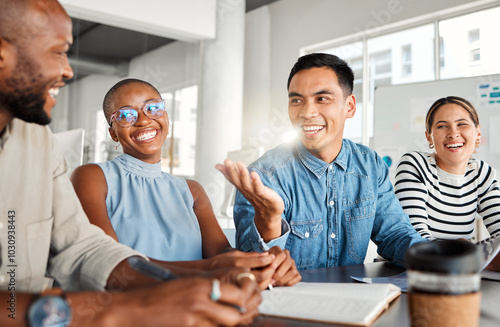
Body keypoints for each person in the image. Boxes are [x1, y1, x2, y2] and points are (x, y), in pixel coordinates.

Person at [0, 0, 260, 326]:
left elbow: (85, 251)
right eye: (57, 51)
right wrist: (125, 308)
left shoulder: (38, 140)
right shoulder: (94, 176)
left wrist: (218, 269)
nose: (67, 70)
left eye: (153, 107)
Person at [70, 78, 301, 289]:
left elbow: (221, 254)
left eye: (152, 108)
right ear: (112, 133)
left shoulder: (191, 191)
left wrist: (266, 262)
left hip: (195, 311)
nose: (143, 120)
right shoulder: (92, 177)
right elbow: (109, 263)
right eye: (125, 115)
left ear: (166, 117)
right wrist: (215, 271)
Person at [217, 53, 426, 270]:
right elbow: (255, 271)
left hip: (356, 300)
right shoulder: (263, 176)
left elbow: (395, 234)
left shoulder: (369, 164)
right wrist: (269, 220)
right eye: (297, 100)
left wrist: (440, 258)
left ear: (350, 107)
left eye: (322, 98)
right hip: (288, 301)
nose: (307, 113)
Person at [394, 96, 500, 240]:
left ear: (478, 133)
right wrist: (464, 252)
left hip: (459, 260)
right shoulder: (415, 164)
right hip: (409, 262)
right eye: (442, 126)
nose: (453, 134)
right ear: (429, 137)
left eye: (462, 124)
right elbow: (414, 237)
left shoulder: (481, 173)